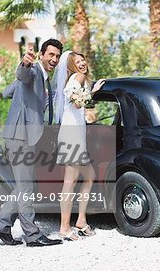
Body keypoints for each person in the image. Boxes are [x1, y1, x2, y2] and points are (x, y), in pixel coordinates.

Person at [0, 39, 64, 247]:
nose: (54, 59)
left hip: (23, 134)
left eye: (57, 56)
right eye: (50, 54)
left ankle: (3, 226)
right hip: (21, 134)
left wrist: (19, 96)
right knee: (26, 187)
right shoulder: (33, 71)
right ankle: (32, 235)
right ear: (41, 55)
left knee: (26, 184)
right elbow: (23, 74)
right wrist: (24, 64)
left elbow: (7, 92)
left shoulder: (41, 78)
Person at [55, 51, 106, 240]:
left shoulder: (74, 79)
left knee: (89, 175)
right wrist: (93, 91)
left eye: (83, 59)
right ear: (71, 65)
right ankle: (64, 228)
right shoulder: (79, 76)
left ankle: (81, 220)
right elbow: (77, 103)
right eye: (77, 61)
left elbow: (75, 102)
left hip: (73, 133)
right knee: (69, 182)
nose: (83, 63)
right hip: (72, 134)